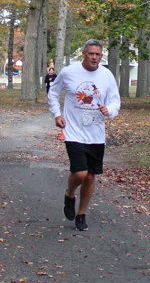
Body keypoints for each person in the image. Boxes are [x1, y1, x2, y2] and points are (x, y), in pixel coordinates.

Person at [48, 40, 121, 231]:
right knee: (80, 173)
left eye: (98, 54)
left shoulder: (106, 75)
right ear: (84, 54)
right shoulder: (69, 72)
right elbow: (53, 93)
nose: (94, 58)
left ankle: (81, 214)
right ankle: (70, 193)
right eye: (91, 54)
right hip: (74, 131)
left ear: (101, 56)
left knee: (89, 177)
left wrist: (109, 110)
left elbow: (115, 101)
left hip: (96, 134)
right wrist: (57, 114)